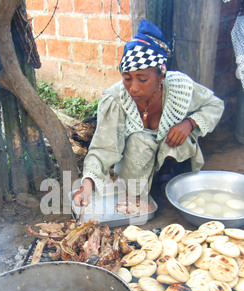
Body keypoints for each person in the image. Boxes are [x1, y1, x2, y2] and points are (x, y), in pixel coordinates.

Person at [73, 20, 224, 208]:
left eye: (142, 79)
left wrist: (190, 123)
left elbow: (215, 105)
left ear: (161, 76)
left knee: (179, 140)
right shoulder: (115, 99)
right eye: (127, 78)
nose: (133, 88)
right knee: (139, 140)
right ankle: (141, 190)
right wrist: (87, 184)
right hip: (136, 165)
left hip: (172, 156)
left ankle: (170, 182)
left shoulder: (180, 87)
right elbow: (103, 148)